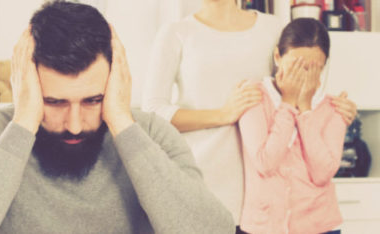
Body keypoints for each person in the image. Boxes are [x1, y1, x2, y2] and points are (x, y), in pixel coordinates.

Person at [0, 2, 235, 234]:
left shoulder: (150, 133)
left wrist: (122, 122)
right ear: (26, 83)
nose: (75, 124)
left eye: (92, 100)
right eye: (54, 101)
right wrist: (23, 121)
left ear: (114, 81)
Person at [142, 0, 357, 230]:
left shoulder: (273, 28)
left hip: (267, 197)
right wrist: (223, 115)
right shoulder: (176, 33)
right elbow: (153, 114)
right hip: (204, 181)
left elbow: (297, 87)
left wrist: (337, 108)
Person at [238, 18, 345, 234]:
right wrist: (288, 103)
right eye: (296, 65)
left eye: (313, 69)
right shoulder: (254, 97)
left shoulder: (335, 109)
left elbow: (323, 173)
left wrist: (305, 109)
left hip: (320, 226)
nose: (303, 75)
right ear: (278, 57)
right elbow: (265, 163)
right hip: (263, 227)